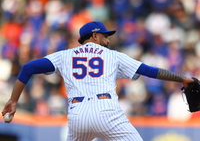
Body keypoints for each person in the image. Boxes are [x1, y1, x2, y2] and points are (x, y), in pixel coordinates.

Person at [2, 21, 194, 141]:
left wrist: (13, 100)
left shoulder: (65, 56)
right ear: (94, 36)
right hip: (107, 112)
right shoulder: (114, 57)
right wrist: (182, 78)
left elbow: (28, 68)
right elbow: (150, 71)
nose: (108, 40)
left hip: (78, 116)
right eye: (105, 36)